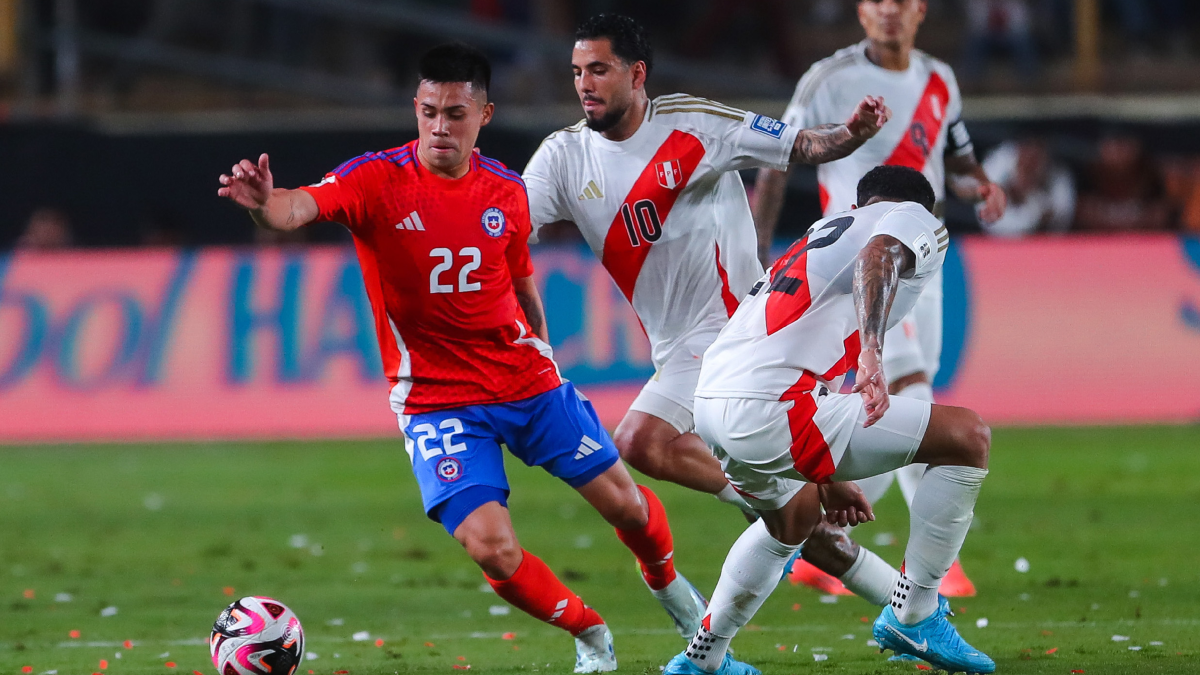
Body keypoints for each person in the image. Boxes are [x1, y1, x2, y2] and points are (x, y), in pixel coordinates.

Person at [217, 43, 704, 674]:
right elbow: (295, 209)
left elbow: (521, 283)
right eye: (428, 112)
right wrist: (263, 202)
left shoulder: (505, 190)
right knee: (491, 549)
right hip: (436, 400)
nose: (439, 127)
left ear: (485, 114)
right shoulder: (374, 180)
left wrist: (544, 355)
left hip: (526, 382)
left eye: (454, 113)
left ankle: (670, 587)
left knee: (628, 507)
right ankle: (591, 634)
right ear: (414, 110)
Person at [523, 13, 890, 520]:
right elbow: (508, 229)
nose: (585, 85)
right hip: (674, 348)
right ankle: (851, 551)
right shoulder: (563, 158)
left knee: (640, 441)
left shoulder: (695, 126)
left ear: (637, 74)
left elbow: (799, 143)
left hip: (733, 329)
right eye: (578, 71)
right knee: (801, 535)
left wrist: (851, 133)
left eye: (599, 70)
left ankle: (782, 492)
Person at [667, 166, 994, 675]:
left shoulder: (821, 233)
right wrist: (872, 349)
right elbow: (880, 255)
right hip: (771, 404)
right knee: (967, 437)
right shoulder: (911, 218)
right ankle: (915, 613)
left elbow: (803, 344)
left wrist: (827, 476)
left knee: (791, 519)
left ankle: (702, 659)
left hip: (711, 403)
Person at [752, 0, 1005, 602]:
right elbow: (780, 156)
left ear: (920, 10)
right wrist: (758, 248)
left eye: (901, 1)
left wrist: (984, 188)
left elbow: (959, 164)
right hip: (866, 264)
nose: (889, 10)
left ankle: (814, 541)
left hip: (929, 257)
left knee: (892, 407)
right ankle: (936, 569)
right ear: (861, 12)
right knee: (913, 390)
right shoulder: (828, 79)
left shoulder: (938, 80)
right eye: (875, 1)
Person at [981, 138, 1075, 237]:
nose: (1030, 168)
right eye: (1025, 166)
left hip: (1042, 240)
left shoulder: (1056, 180)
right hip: (1002, 242)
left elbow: (1059, 217)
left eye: (1034, 162)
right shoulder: (999, 164)